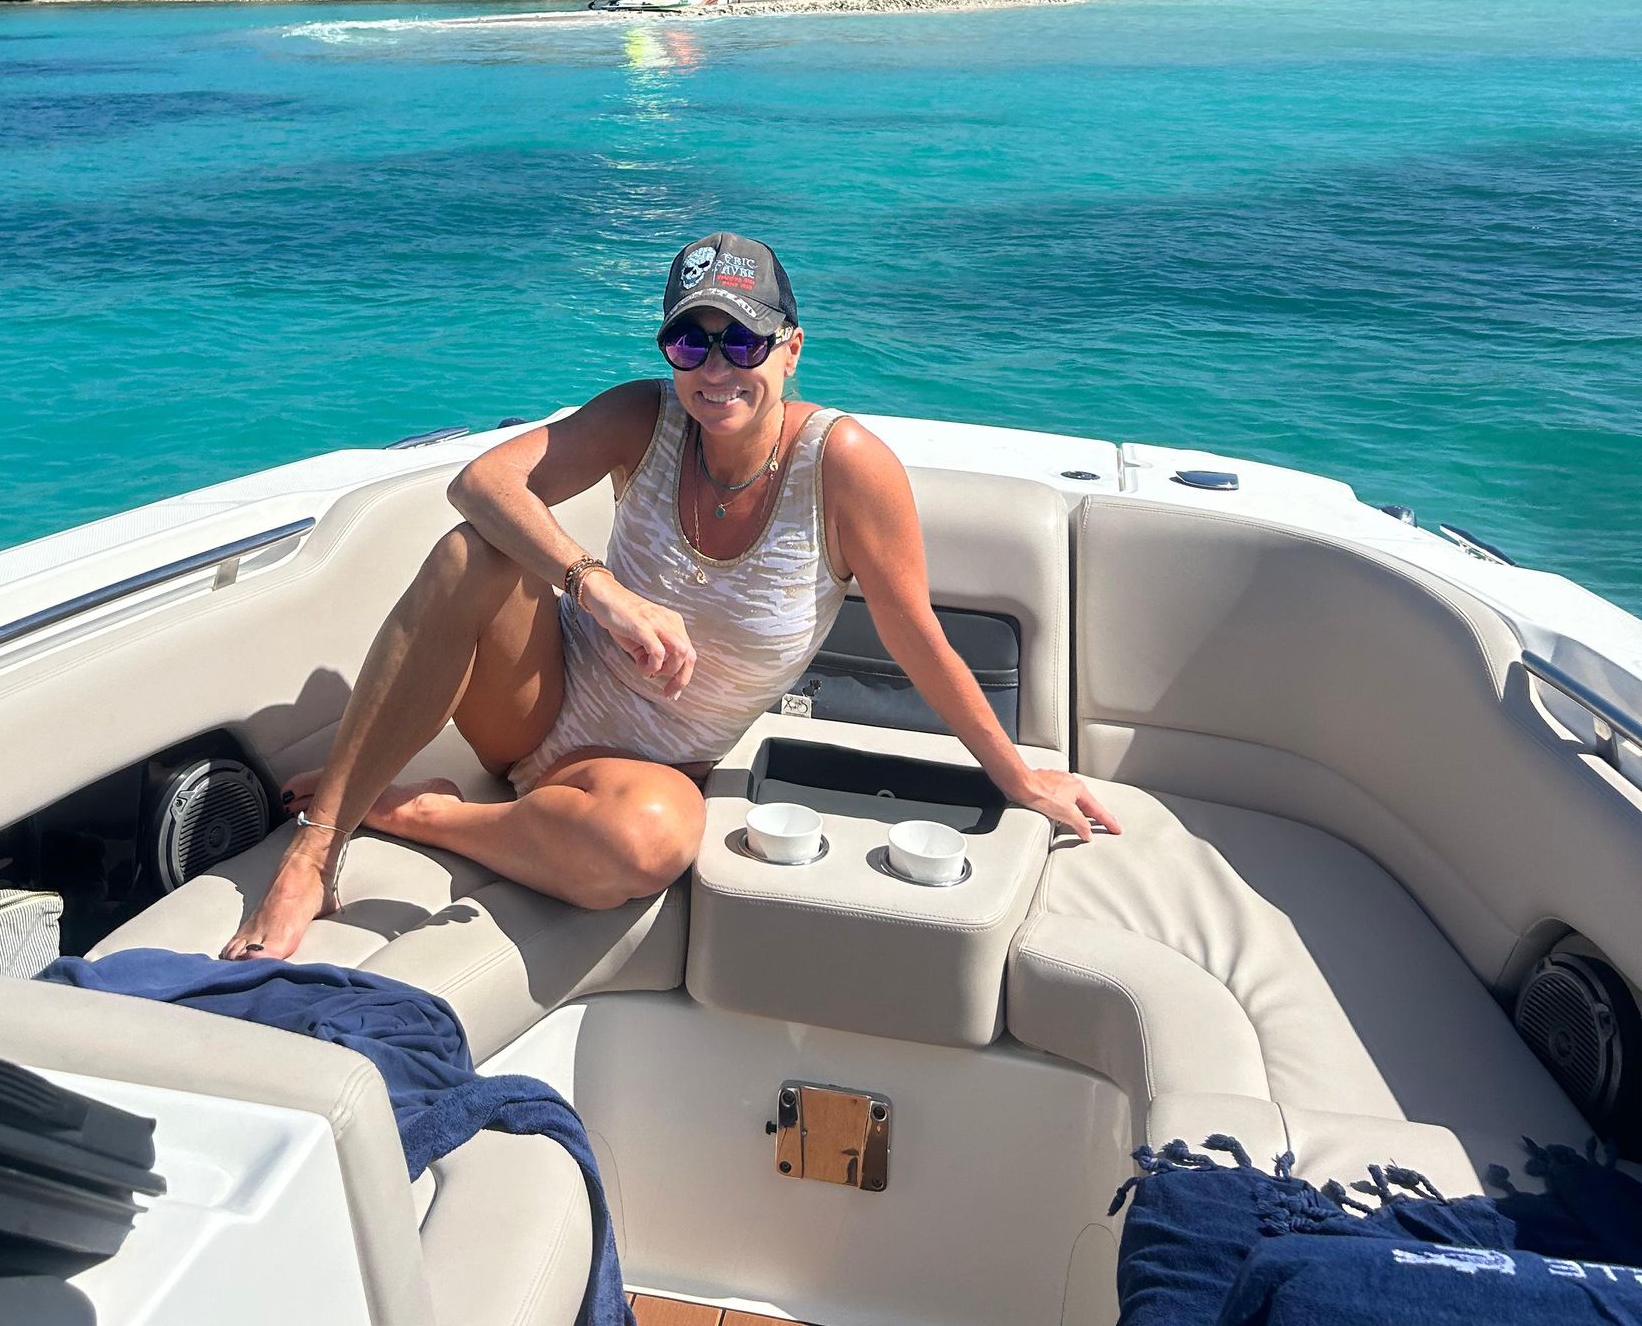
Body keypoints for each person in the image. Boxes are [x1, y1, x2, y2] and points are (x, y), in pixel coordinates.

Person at [223, 230, 1119, 960]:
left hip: (643, 773)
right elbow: (482, 485)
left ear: (792, 347)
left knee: (647, 846)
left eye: (744, 340)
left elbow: (915, 633)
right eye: (693, 340)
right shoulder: (644, 417)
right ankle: (320, 847)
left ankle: (430, 815)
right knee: (473, 555)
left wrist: (1016, 776)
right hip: (531, 710)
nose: (717, 369)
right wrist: (597, 585)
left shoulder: (842, 468)